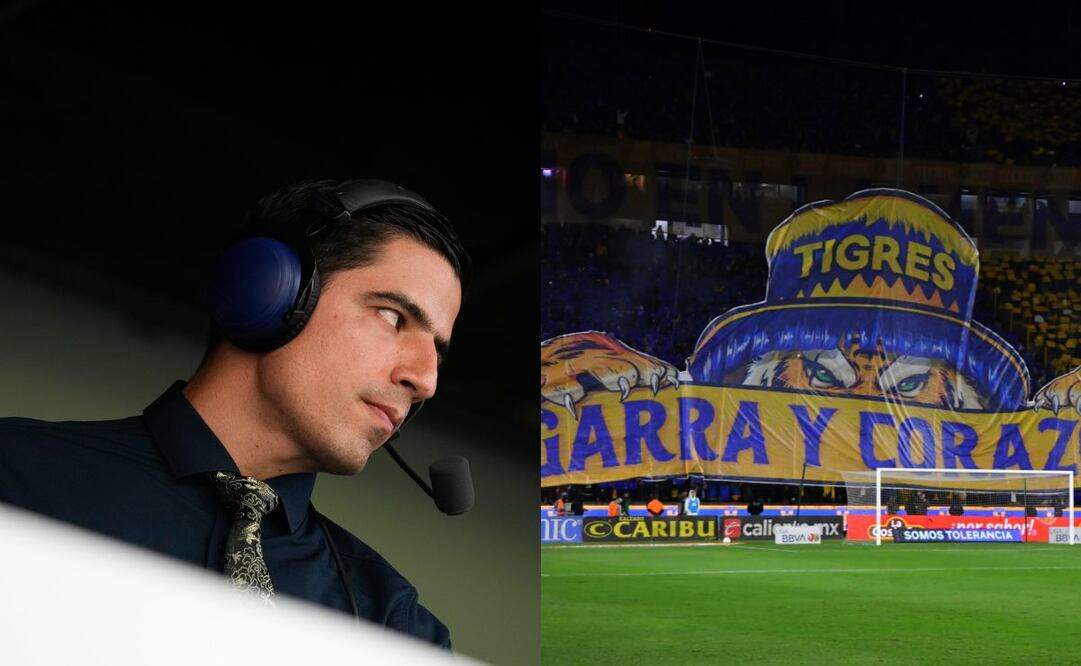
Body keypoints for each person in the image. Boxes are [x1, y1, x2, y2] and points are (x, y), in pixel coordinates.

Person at [0, 178, 471, 648]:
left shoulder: (395, 626)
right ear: (269, 290)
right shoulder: (16, 476)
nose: (426, 379)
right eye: (393, 317)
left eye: (438, 353)